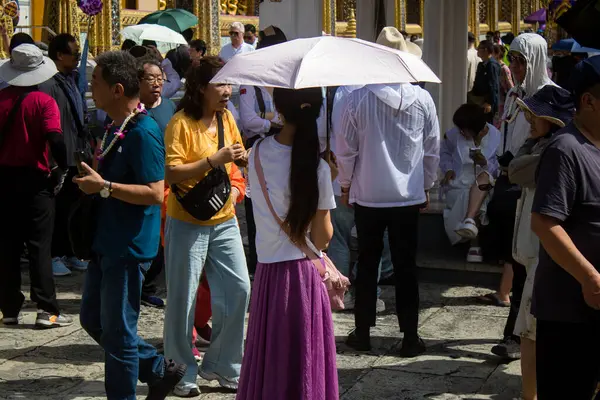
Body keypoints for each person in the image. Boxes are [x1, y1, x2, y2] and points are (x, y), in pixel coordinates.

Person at [76, 50, 186, 400]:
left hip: (127, 245)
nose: (91, 87)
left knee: (120, 333)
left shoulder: (143, 133)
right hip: (105, 240)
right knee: (93, 320)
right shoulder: (114, 126)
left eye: (96, 82)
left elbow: (156, 193)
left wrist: (105, 188)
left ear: (118, 89)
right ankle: (157, 369)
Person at [337, 26, 440, 357]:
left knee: (367, 263)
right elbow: (432, 148)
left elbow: (346, 148)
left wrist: (346, 183)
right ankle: (410, 335)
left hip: (369, 193)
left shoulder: (358, 98)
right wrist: (426, 185)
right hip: (407, 195)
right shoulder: (422, 98)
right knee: (406, 265)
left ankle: (363, 331)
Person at [237, 87, 338, 400]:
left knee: (271, 363)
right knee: (304, 366)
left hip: (268, 273)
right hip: (304, 277)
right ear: (317, 112)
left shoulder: (255, 155)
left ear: (279, 110)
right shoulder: (317, 168)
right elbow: (322, 238)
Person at [163, 56, 250, 396]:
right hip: (187, 221)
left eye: (229, 84)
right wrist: (214, 160)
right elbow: (171, 173)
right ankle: (181, 371)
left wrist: (238, 161)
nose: (228, 91)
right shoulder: (180, 123)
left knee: (239, 288)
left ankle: (223, 365)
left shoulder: (227, 118)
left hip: (224, 217)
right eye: (221, 84)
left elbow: (235, 157)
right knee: (183, 299)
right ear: (201, 88)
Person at [531, 57, 600, 400]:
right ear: (588, 101)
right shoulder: (566, 149)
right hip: (570, 312)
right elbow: (544, 223)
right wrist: (588, 276)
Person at [487, 33, 556, 360]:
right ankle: (517, 334)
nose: (514, 67)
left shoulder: (551, 98)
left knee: (526, 265)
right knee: (513, 259)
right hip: (508, 183)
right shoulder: (514, 95)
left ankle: (517, 337)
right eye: (511, 60)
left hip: (531, 189)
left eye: (520, 61)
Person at [508, 85, 574, 400]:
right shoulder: (545, 145)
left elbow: (515, 172)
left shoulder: (555, 151)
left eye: (536, 115)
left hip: (545, 253)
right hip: (539, 252)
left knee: (529, 331)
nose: (530, 119)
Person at [0, 44, 73, 328]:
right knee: (39, 246)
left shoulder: (1, 99)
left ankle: (9, 309)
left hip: (4, 179)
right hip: (35, 180)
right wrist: (63, 169)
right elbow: (55, 139)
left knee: (7, 245)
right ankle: (46, 309)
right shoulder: (44, 102)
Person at [38, 33, 90, 277]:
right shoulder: (48, 83)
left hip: (77, 152)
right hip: (59, 154)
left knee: (73, 207)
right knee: (57, 209)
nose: (78, 57)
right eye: (74, 53)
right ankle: (54, 254)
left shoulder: (73, 79)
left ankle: (71, 251)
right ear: (59, 55)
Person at [239, 25, 288, 275]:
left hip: (284, 145)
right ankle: (258, 265)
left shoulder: (288, 77)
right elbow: (249, 120)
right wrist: (274, 120)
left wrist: (266, 116)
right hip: (258, 146)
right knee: (257, 205)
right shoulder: (251, 80)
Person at [136, 57, 176, 308]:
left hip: (167, 183)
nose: (157, 84)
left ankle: (149, 286)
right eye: (150, 79)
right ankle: (138, 287)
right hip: (141, 182)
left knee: (162, 240)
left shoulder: (170, 107)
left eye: (160, 79)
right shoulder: (131, 108)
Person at [440, 104, 501, 264]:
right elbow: (444, 151)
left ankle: (471, 233)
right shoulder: (454, 135)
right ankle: (473, 235)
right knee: (474, 196)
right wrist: (448, 169)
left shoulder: (496, 137)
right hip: (459, 181)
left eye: (464, 130)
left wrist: (485, 162)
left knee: (481, 188)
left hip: (484, 181)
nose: (461, 132)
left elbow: (500, 165)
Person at [470, 40, 500, 123]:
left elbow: (494, 85)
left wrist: (489, 103)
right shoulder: (481, 64)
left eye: (479, 48)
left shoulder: (492, 65)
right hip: (479, 102)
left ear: (486, 50)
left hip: (486, 104)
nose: (477, 50)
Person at [493, 44, 514, 128]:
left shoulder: (504, 68)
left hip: (503, 100)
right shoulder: (495, 66)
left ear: (497, 54)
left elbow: (510, 85)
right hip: (497, 100)